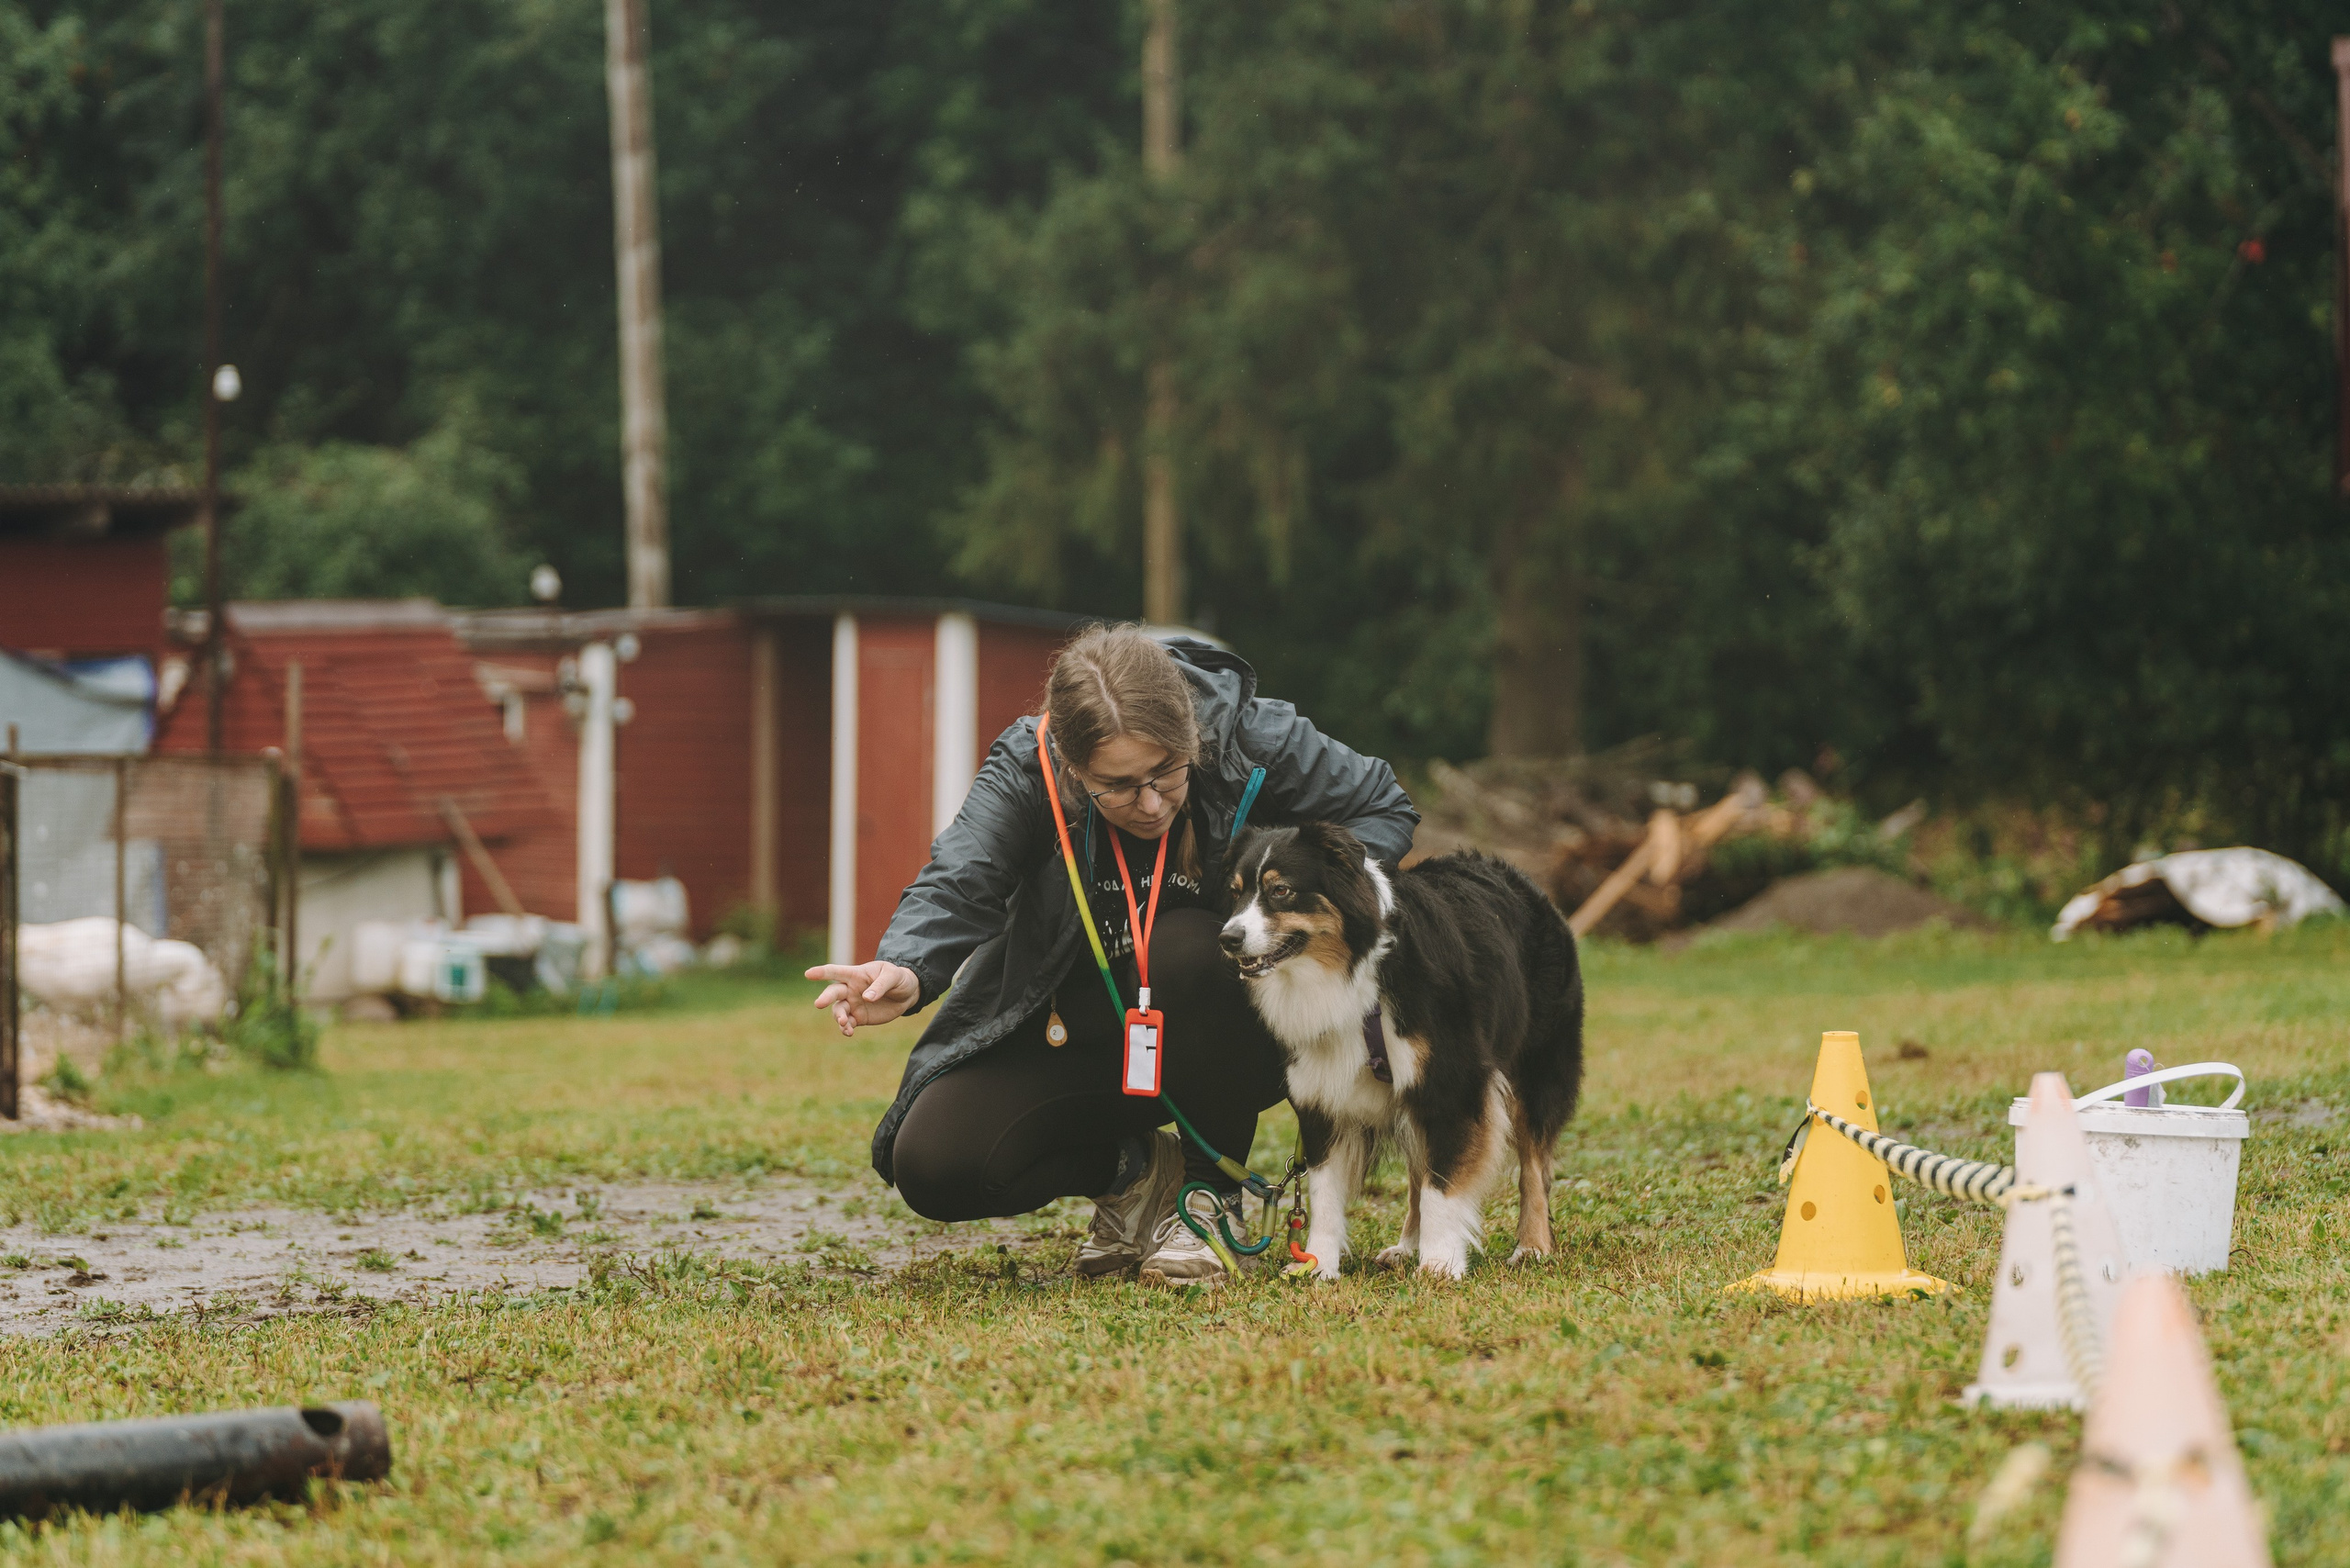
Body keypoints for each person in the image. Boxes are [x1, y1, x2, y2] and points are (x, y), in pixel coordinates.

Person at [806, 624, 1417, 1286]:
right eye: (1119, 786)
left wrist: (1319, 886)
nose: (1151, 804)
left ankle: (1210, 1201)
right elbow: (960, 877)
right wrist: (907, 964)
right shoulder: (1027, 767)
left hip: (1236, 1029)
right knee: (933, 1163)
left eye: (1165, 773)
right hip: (1087, 1035)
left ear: (1190, 740)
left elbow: (1381, 805)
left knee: (1184, 946)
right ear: (1072, 769)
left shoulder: (1254, 737)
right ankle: (1140, 1176)